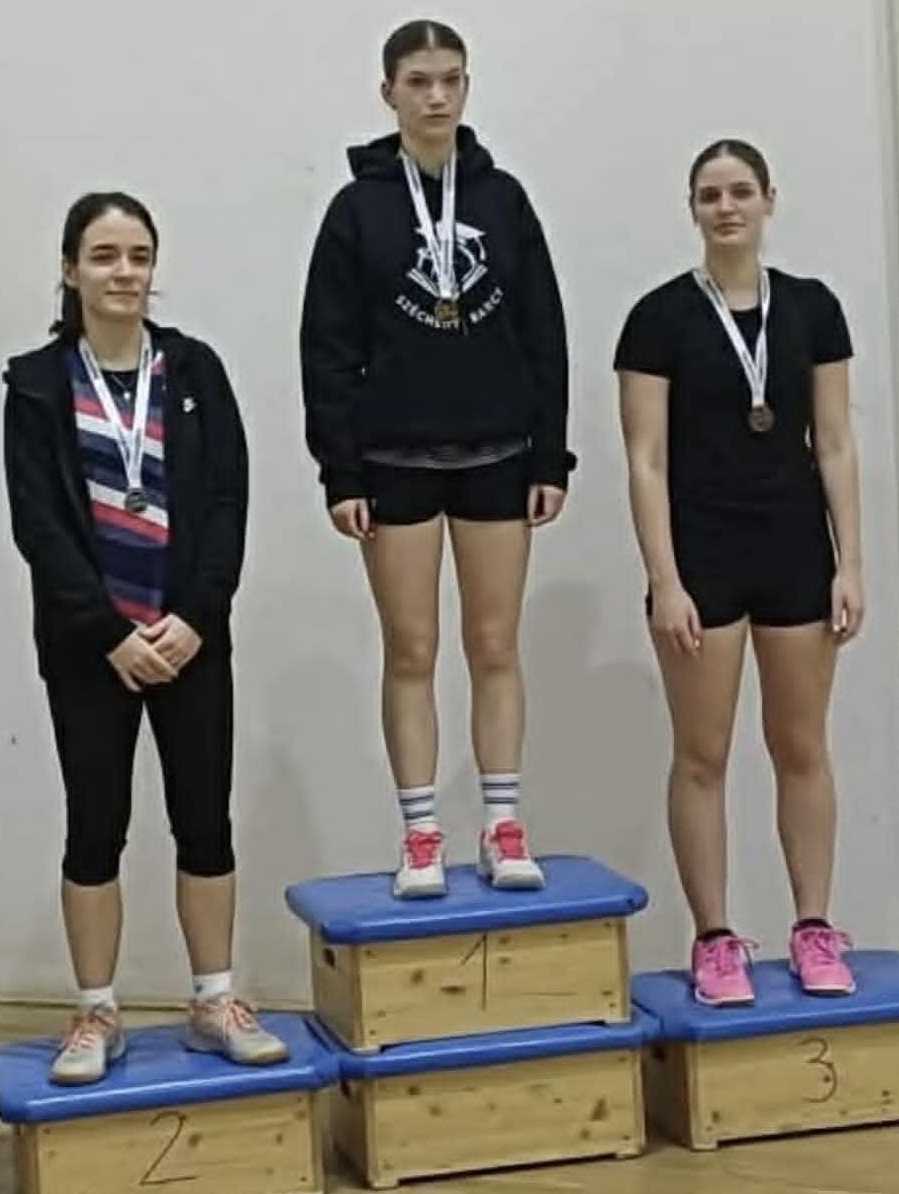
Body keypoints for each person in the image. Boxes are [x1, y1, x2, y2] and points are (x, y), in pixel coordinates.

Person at [3, 192, 288, 1083]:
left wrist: (197, 617)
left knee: (204, 821)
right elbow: (38, 526)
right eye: (104, 256)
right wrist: (108, 633)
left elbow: (229, 502)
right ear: (70, 270)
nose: (123, 272)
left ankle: (213, 1000)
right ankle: (96, 1011)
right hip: (92, 650)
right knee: (96, 827)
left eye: (137, 256)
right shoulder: (36, 385)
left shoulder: (195, 370)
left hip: (190, 640)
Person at [300, 20, 574, 898]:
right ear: (388, 92)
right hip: (394, 459)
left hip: (500, 451)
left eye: (451, 79)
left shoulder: (503, 200)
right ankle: (421, 833)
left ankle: (502, 823)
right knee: (411, 648)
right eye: (419, 81)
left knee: (494, 642)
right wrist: (341, 471)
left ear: (467, 87)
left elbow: (544, 332)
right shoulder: (356, 211)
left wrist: (551, 456)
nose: (436, 96)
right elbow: (327, 350)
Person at [615, 140, 863, 1005]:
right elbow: (645, 460)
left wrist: (850, 563)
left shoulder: (814, 309)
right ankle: (715, 939)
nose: (726, 207)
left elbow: (835, 443)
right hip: (702, 554)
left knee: (801, 745)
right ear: (693, 208)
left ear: (768, 201)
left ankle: (815, 926)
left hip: (795, 548)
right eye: (710, 195)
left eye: (741, 192)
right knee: (703, 753)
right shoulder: (658, 318)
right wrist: (665, 578)